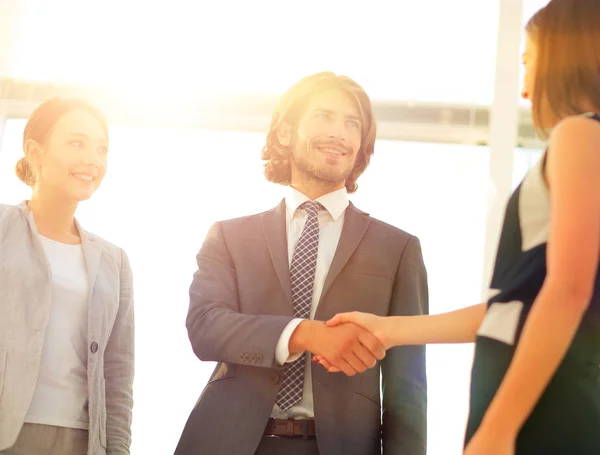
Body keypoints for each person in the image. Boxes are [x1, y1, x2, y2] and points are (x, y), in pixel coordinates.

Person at [316, 1, 600, 454]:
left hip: (542, 398)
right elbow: (516, 305)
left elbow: (568, 292)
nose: (526, 88)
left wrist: (500, 428)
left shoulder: (580, 135)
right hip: (540, 383)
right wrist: (389, 330)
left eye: (529, 63)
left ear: (563, 60)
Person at [174, 72, 429, 455]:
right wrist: (303, 334)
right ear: (284, 134)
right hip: (228, 442)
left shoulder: (398, 248)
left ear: (361, 145)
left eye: (351, 123)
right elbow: (205, 328)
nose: (339, 133)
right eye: (323, 116)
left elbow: (408, 386)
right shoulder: (230, 237)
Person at [0, 98, 135, 455]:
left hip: (82, 441)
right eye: (76, 142)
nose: (92, 158)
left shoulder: (114, 261)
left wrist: (117, 449)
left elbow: (117, 371)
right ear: (35, 151)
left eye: (101, 148)